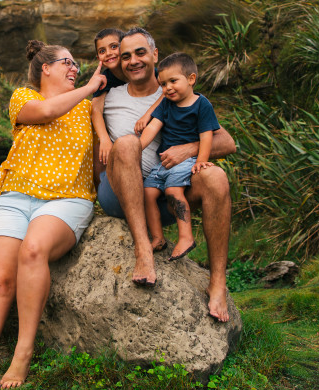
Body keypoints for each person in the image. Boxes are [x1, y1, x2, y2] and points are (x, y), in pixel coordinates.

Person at [0, 40, 106, 390]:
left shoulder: (89, 107)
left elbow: (102, 155)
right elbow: (48, 111)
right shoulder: (23, 98)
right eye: (67, 62)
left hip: (67, 198)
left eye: (76, 65)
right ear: (45, 68)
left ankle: (23, 353)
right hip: (15, 198)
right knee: (0, 281)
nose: (75, 69)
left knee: (33, 250)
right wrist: (89, 87)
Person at [96, 27, 236, 322]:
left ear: (155, 54)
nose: (133, 61)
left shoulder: (175, 90)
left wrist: (188, 150)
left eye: (140, 53)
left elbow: (226, 142)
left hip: (163, 193)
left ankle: (218, 282)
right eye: (125, 56)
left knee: (216, 178)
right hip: (119, 192)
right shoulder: (109, 97)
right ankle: (143, 251)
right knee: (128, 142)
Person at [140, 52, 220, 262]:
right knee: (148, 193)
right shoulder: (166, 104)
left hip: (187, 161)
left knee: (173, 190)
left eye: (173, 81)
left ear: (191, 79)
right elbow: (153, 127)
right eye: (163, 84)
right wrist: (136, 148)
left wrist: (201, 160)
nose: (168, 88)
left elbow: (206, 136)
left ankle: (186, 237)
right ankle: (158, 237)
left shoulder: (202, 105)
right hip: (164, 163)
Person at [90, 28, 161, 165]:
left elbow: (167, 92)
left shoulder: (154, 74)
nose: (109, 53)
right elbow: (96, 110)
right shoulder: (104, 80)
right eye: (102, 51)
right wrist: (104, 139)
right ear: (98, 58)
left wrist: (149, 113)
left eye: (113, 47)